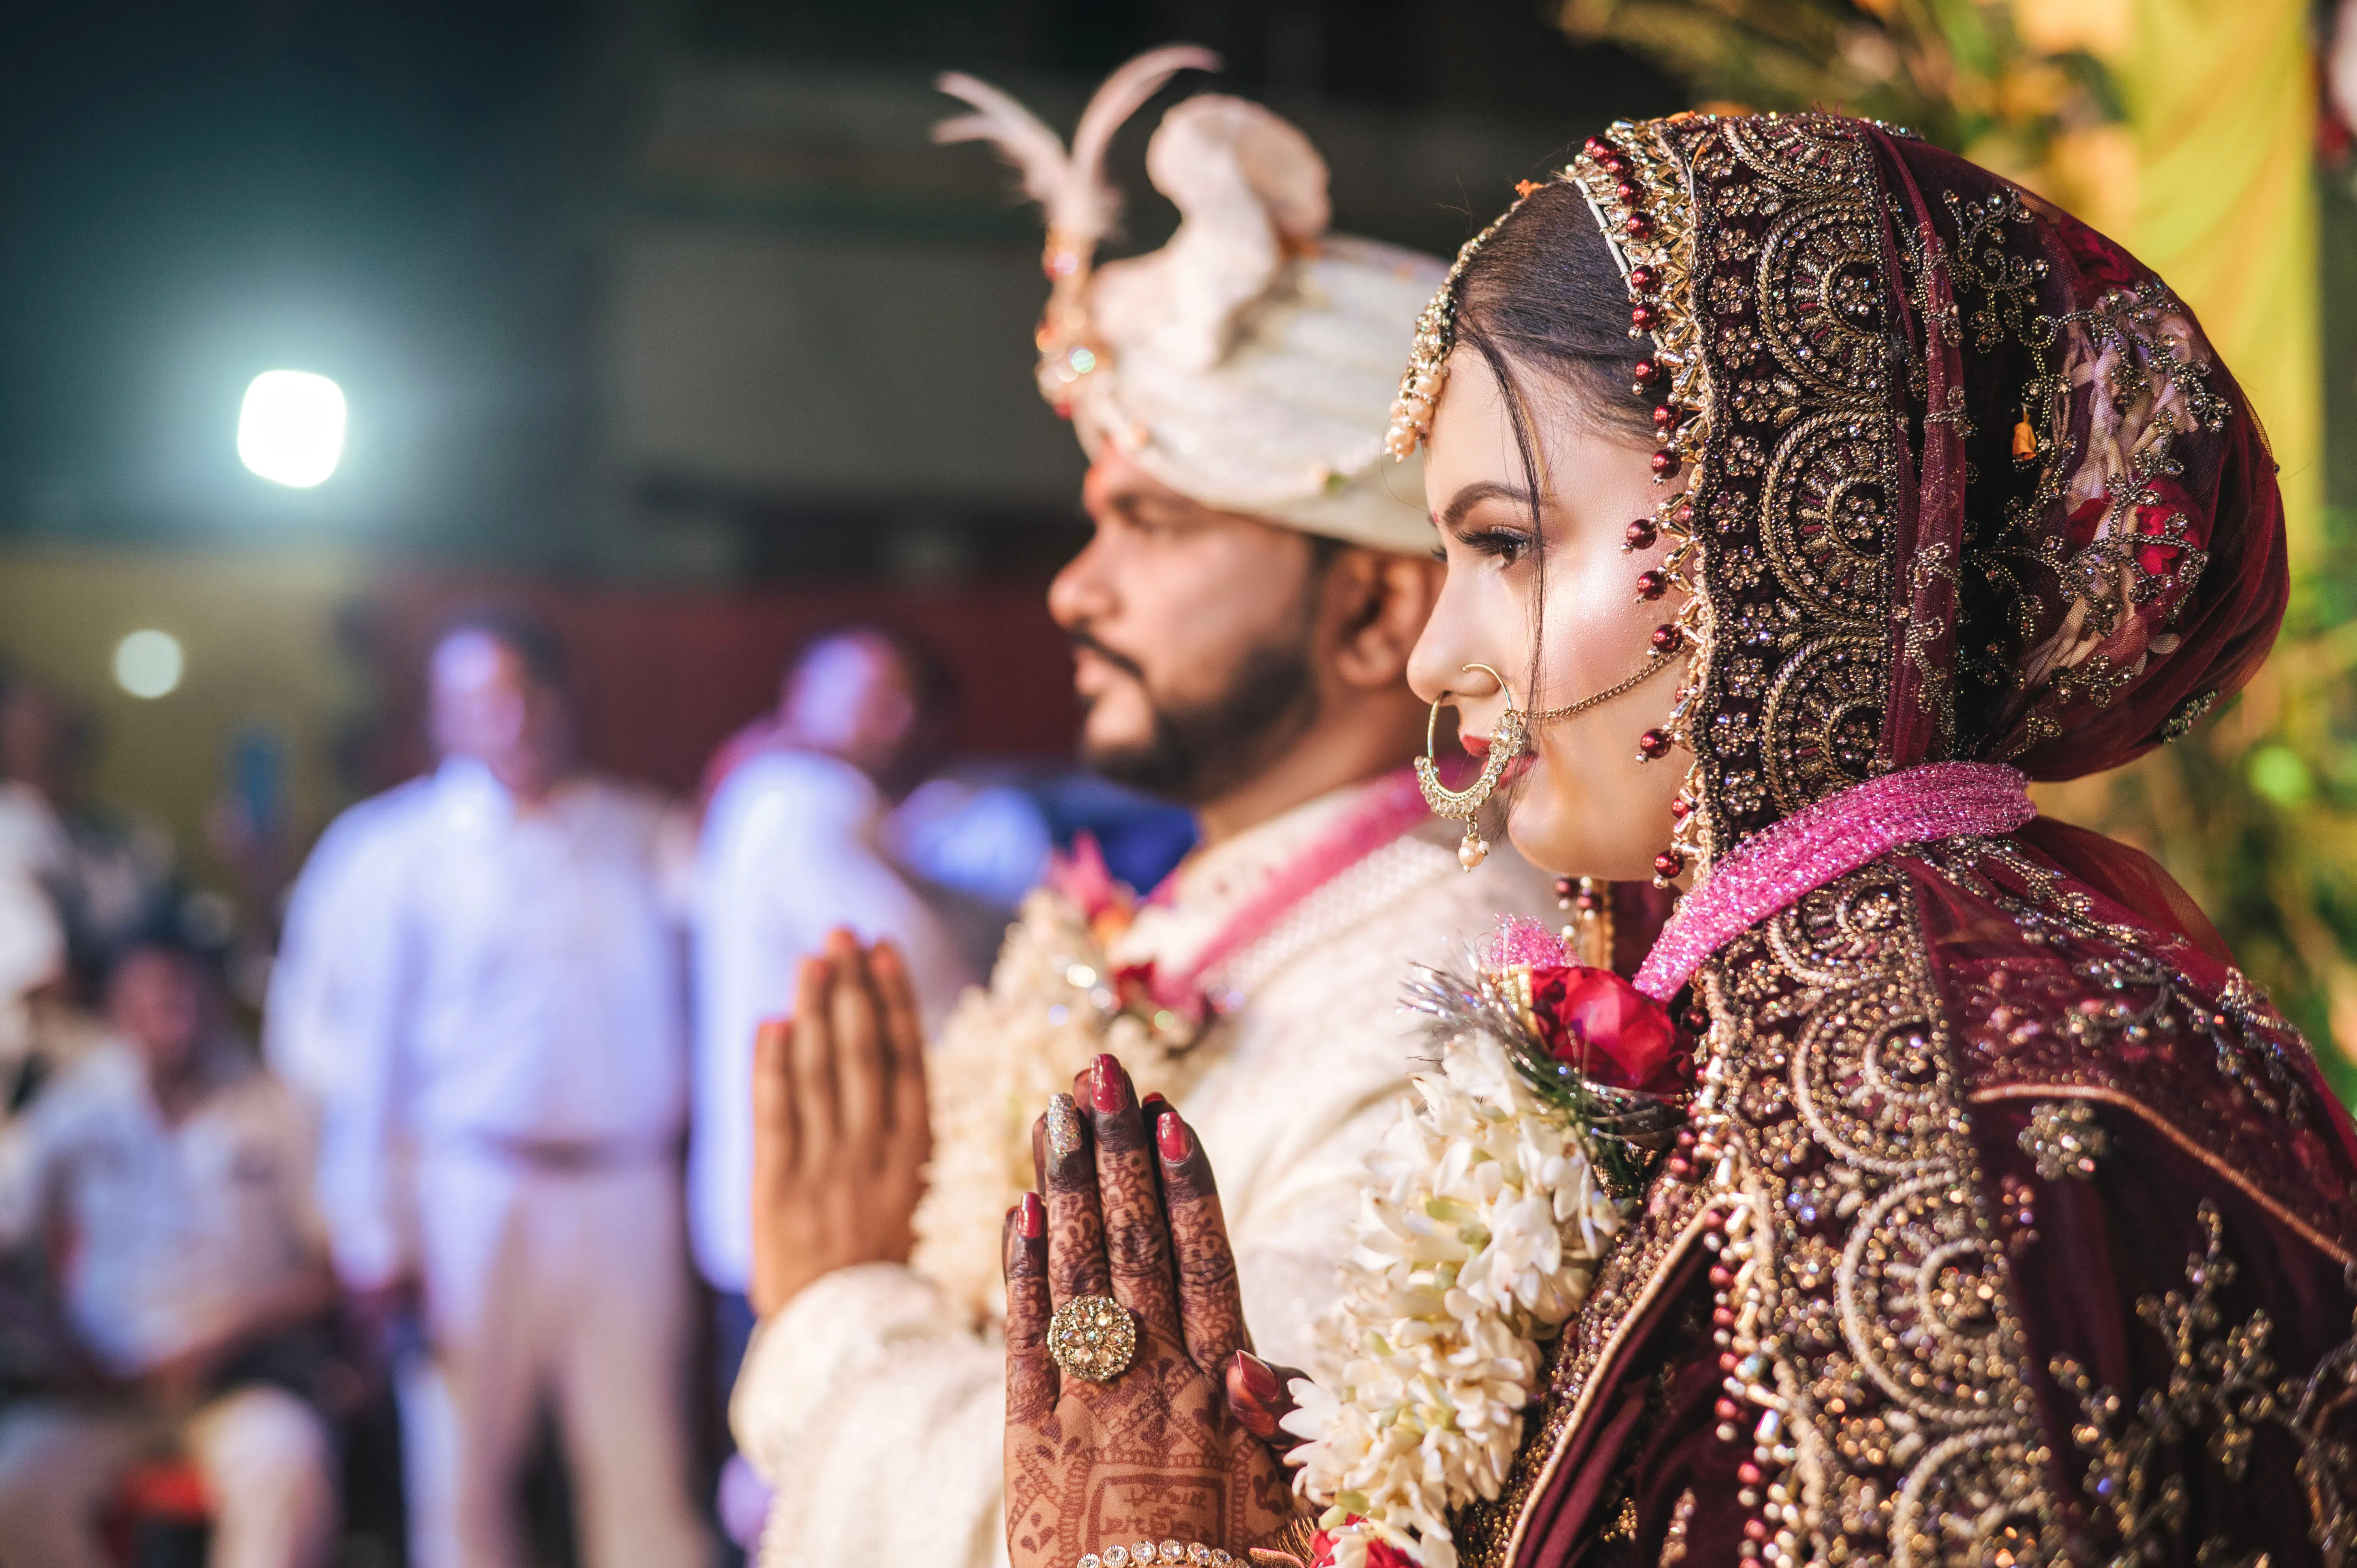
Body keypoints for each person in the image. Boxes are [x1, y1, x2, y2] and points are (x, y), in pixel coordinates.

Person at [995, 111, 2357, 1568]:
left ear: (1766, 534)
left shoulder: (1941, 1122)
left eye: (1505, 545)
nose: (1435, 655)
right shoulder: (1783, 1025)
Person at [725, 49, 1561, 1568]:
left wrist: (836, 1308)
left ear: (1378, 613)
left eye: (1156, 523)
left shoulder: (1463, 991)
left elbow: (1174, 1522)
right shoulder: (1233, 919)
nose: (1073, 584)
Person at [280, 612, 711, 1568]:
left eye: (523, 693)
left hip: (626, 1182)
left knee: (644, 1462)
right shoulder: (391, 850)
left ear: (563, 699)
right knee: (461, 1472)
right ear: (438, 718)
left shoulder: (644, 832)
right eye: (476, 701)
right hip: (468, 1187)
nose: (506, 720)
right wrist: (368, 1227)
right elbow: (348, 1052)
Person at [691, 623, 979, 1503]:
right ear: (797, 696)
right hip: (811, 1204)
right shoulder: (801, 798)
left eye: (900, 697)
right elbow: (924, 977)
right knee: (805, 1475)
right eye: (862, 694)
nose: (887, 717)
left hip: (786, 1196)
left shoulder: (772, 795)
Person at [0, 939, 339, 1568]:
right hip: (104, 1391)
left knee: (291, 1465)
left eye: (183, 989)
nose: (169, 1007)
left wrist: (229, 1338)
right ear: (117, 1008)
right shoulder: (76, 1109)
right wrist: (58, 1348)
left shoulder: (273, 1106)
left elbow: (331, 1267)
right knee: (15, 1480)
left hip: (237, 1385)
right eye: (149, 993)